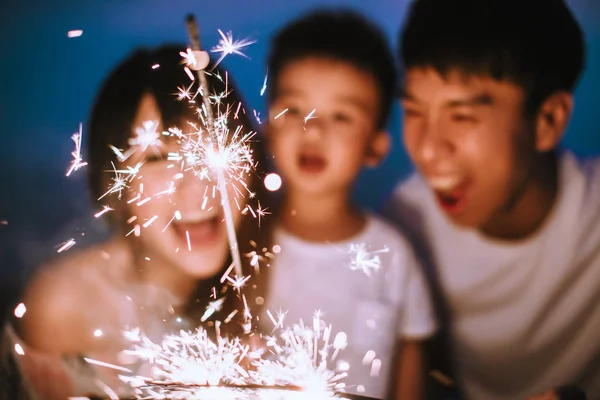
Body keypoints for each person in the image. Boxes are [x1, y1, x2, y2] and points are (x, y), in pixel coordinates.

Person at [0, 44, 271, 399]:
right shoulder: (64, 309)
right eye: (157, 157)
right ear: (117, 186)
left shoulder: (268, 275)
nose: (197, 185)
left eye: (213, 149)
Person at [385, 0, 600, 399]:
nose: (428, 151)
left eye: (462, 116)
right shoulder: (405, 223)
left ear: (547, 120)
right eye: (414, 110)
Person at [260, 9, 437, 400]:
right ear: (268, 129)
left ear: (375, 147)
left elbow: (410, 356)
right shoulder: (245, 244)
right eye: (294, 110)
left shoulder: (392, 254)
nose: (314, 129)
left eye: (341, 116)